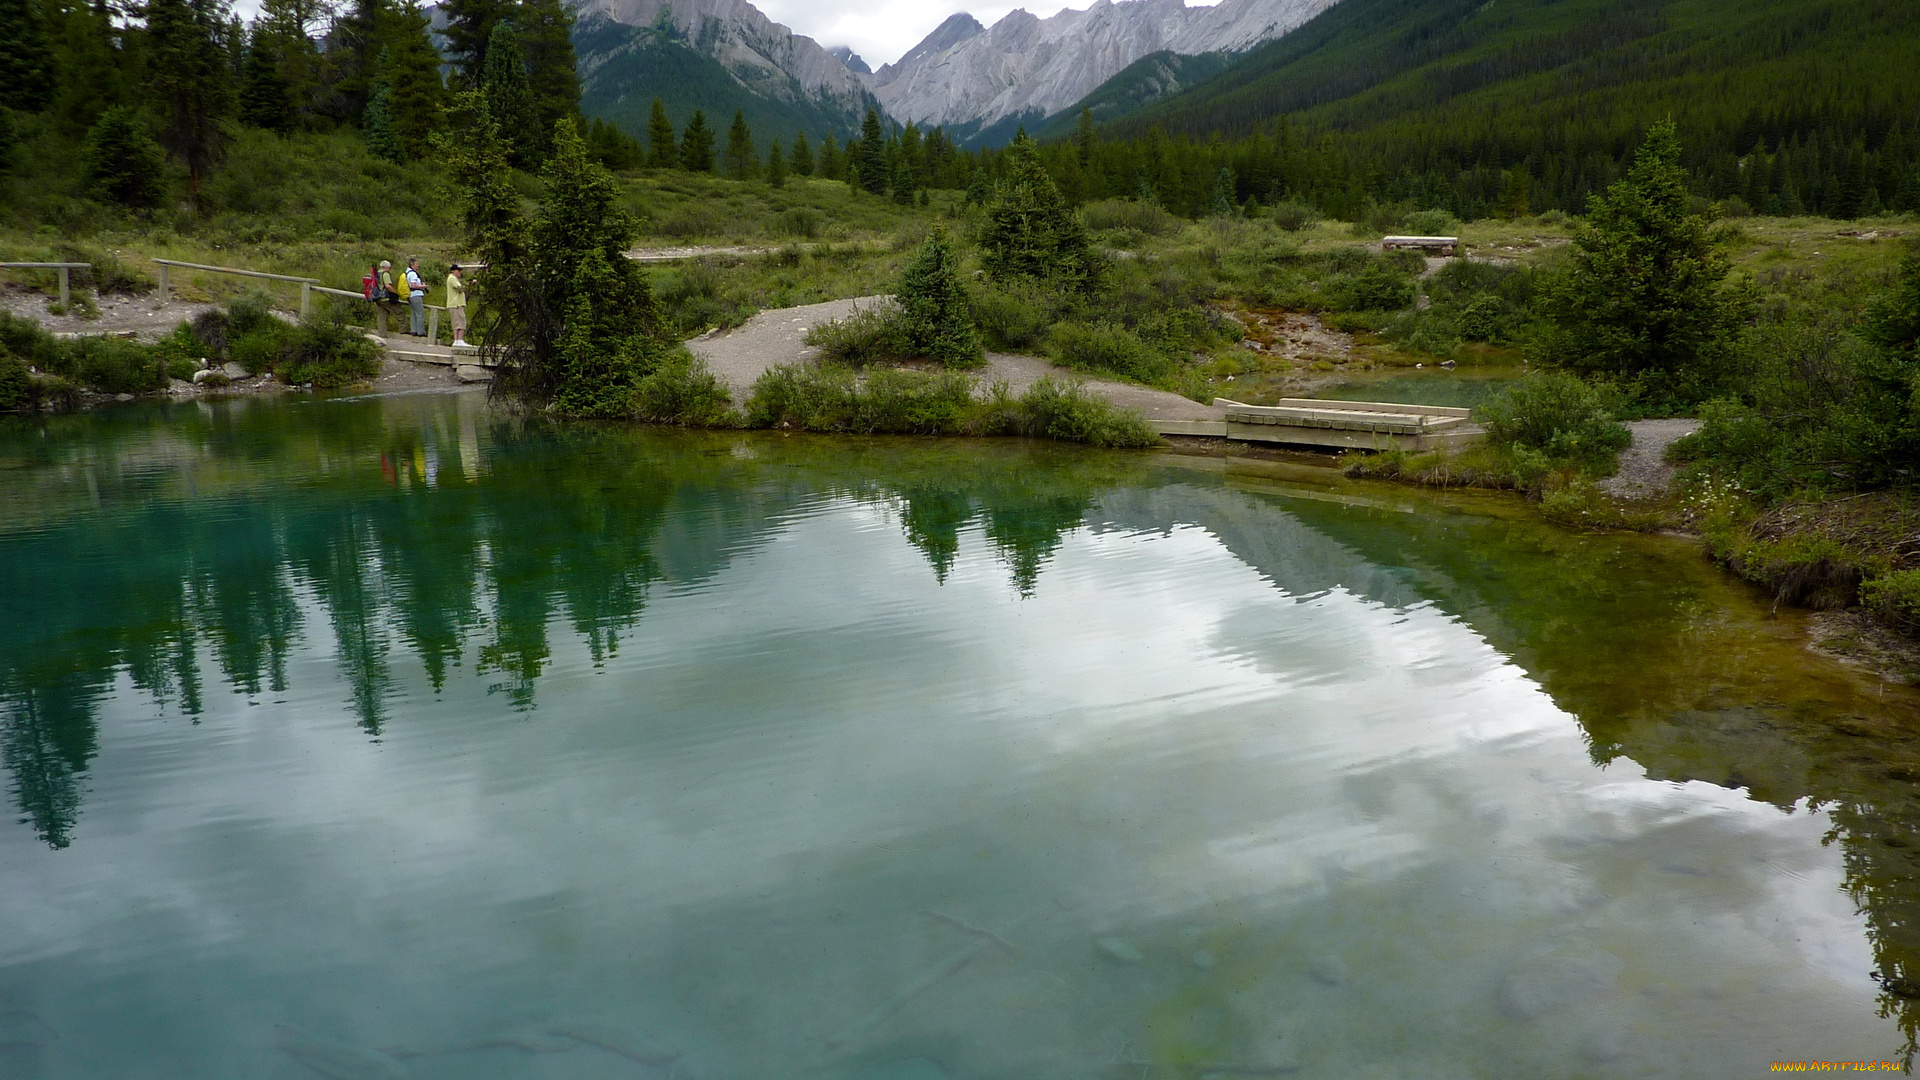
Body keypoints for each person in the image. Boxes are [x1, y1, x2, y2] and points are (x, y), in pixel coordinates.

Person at [403, 257, 429, 337]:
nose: (418, 265)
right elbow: (414, 285)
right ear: (412, 265)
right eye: (416, 264)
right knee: (420, 313)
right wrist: (423, 286)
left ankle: (414, 330)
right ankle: (421, 331)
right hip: (416, 295)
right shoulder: (413, 274)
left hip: (410, 295)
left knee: (413, 313)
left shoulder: (407, 273)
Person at [445, 264, 468, 347]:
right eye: (458, 271)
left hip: (456, 304)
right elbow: (460, 289)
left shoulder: (453, 278)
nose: (460, 273)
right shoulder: (452, 278)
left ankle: (458, 340)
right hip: (456, 304)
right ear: (453, 271)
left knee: (458, 322)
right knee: (460, 322)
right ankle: (459, 340)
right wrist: (470, 284)